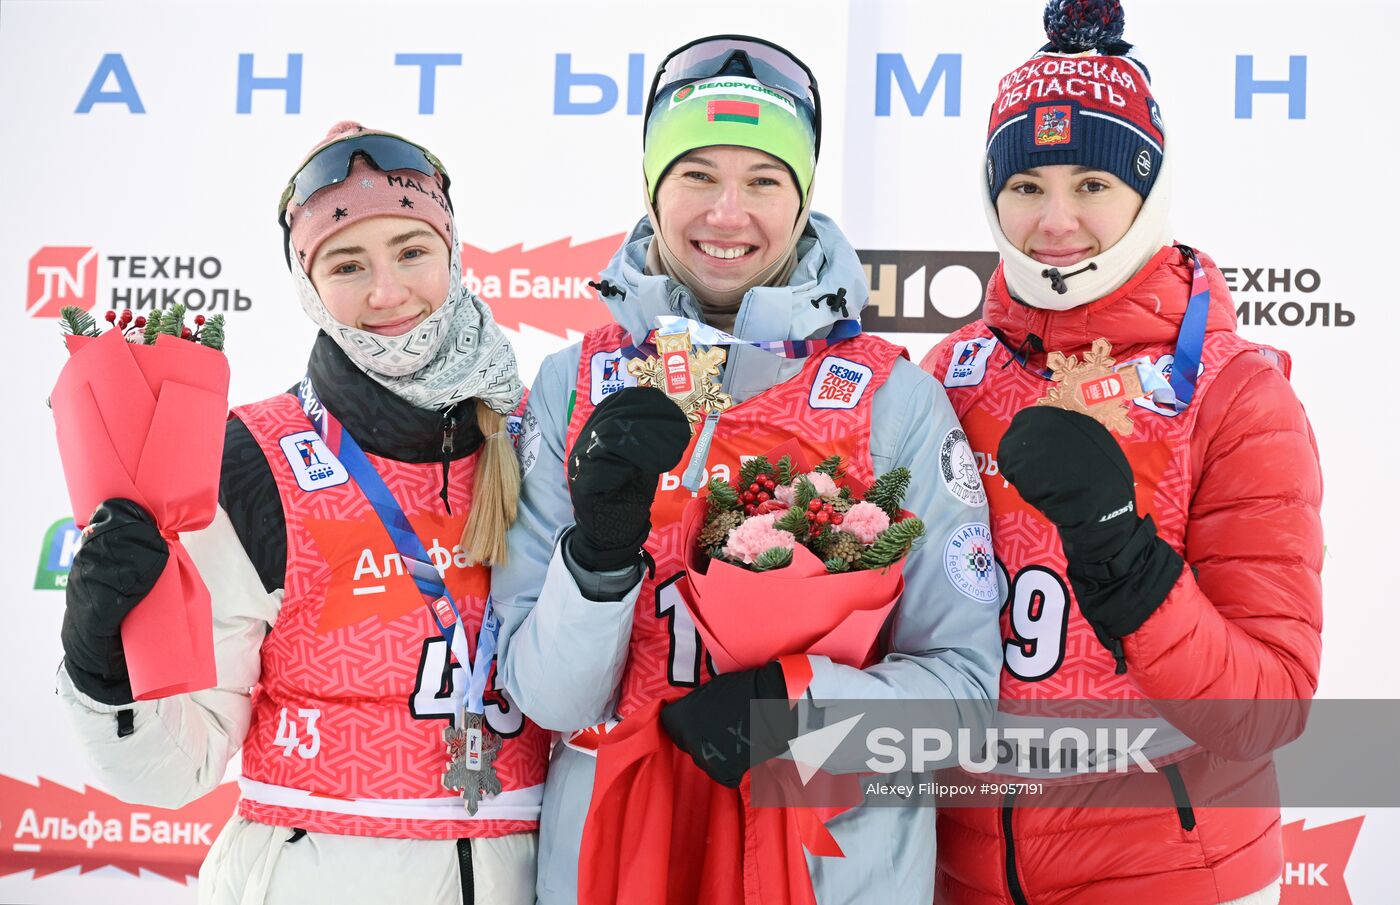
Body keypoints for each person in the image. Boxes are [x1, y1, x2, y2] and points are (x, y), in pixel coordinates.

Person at [491, 36, 1001, 904]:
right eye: (696, 174)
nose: (727, 214)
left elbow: (962, 696)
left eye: (764, 180)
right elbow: (548, 699)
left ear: (803, 200)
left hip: (828, 865)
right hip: (620, 854)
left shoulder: (891, 398)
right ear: (653, 187)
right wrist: (601, 555)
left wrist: (794, 707)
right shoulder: (572, 385)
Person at [57, 122, 550, 904]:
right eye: (348, 264)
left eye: (412, 252)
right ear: (307, 284)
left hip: (525, 872)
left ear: (454, 256)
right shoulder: (255, 456)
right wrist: (101, 663)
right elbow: (173, 766)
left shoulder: (536, 436)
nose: (386, 292)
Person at [920, 2, 1323, 903]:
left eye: (1093, 184)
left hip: (1172, 874)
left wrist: (1127, 559)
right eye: (1025, 186)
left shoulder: (1234, 393)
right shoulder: (950, 373)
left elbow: (1270, 705)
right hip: (965, 872)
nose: (1055, 219)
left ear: (1150, 191)